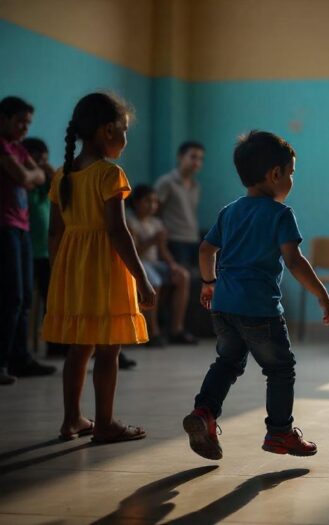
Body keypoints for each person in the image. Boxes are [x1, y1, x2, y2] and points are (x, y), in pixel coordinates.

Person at [183, 130, 329, 460]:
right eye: (291, 173)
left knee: (227, 362)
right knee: (280, 369)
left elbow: (206, 249)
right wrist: (322, 294)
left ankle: (204, 413)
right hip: (259, 309)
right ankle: (280, 432)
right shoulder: (281, 214)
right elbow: (294, 261)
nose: (292, 180)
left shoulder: (229, 212)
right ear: (275, 174)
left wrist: (209, 282)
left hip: (223, 306)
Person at [43, 92, 156, 442]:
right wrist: (142, 278)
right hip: (105, 269)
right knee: (108, 348)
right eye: (124, 130)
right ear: (108, 130)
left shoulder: (62, 175)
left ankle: (71, 420)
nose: (125, 138)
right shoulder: (110, 174)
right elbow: (118, 232)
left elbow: (54, 233)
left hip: (73, 269)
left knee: (80, 347)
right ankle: (104, 424)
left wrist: (61, 274)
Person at [0, 96, 56, 385]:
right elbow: (25, 177)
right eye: (21, 121)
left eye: (28, 123)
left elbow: (43, 176)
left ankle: (20, 359)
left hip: (22, 227)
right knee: (11, 297)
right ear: (4, 118)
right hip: (5, 226)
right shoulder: (2, 145)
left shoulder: (18, 148)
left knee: (23, 299)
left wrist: (32, 174)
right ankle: (3, 362)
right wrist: (32, 174)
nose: (25, 128)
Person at [127, 184, 196, 346]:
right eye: (147, 201)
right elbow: (133, 252)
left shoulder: (156, 223)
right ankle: (153, 332)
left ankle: (176, 329)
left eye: (155, 202)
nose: (152, 205)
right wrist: (152, 240)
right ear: (136, 202)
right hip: (138, 263)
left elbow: (163, 250)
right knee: (154, 281)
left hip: (154, 263)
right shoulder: (129, 221)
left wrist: (173, 265)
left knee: (183, 275)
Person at [22, 137, 69, 358]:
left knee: (53, 301)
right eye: (36, 158)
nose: (41, 163)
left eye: (44, 158)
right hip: (27, 251)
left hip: (47, 253)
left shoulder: (47, 188)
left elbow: (60, 184)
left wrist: (48, 169)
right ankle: (21, 349)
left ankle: (55, 345)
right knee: (23, 301)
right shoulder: (24, 185)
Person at [155, 141, 205, 268]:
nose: (197, 162)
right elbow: (155, 211)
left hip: (193, 238)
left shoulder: (196, 186)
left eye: (200, 159)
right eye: (193, 157)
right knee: (180, 276)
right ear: (180, 157)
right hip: (174, 239)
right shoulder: (167, 182)